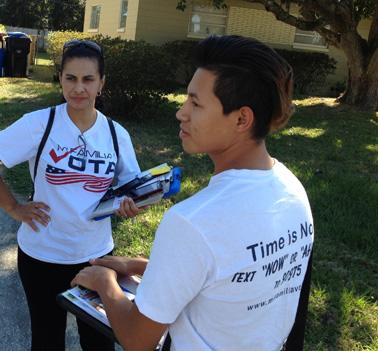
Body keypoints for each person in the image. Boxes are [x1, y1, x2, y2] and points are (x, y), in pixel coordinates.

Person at [72, 35, 315, 351]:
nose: (181, 113)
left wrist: (105, 283)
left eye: (196, 103)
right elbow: (233, 276)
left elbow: (137, 338)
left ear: (242, 118)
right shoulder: (293, 191)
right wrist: (137, 265)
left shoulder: (193, 222)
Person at [0, 39, 142, 350]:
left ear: (101, 83)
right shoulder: (40, 124)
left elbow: (130, 189)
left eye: (88, 79)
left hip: (95, 258)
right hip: (42, 256)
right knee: (47, 340)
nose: (79, 88)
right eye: (70, 78)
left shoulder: (116, 134)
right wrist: (13, 207)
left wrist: (130, 204)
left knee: (99, 344)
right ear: (60, 78)